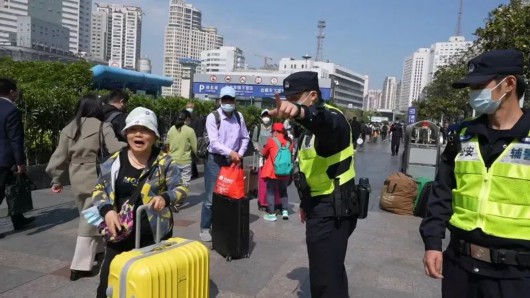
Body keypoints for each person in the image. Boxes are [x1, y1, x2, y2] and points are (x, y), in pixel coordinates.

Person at [420, 49, 530, 298]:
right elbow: (441, 194)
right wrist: (432, 244)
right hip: (460, 266)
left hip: (516, 275)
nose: (473, 93)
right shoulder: (462, 136)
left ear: (509, 84)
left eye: (480, 84)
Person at [269, 71, 358, 298]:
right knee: (330, 271)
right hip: (320, 205)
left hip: (333, 208)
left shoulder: (332, 119)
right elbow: (312, 169)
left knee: (324, 282)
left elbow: (323, 122)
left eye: (297, 96)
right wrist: (306, 203)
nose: (292, 101)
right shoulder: (307, 130)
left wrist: (301, 112)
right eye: (290, 97)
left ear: (313, 96)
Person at [93, 107, 187, 298]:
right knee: (108, 286)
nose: (138, 134)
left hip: (153, 237)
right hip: (119, 235)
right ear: (126, 133)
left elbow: (182, 190)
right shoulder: (114, 161)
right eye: (133, 129)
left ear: (154, 136)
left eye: (145, 130)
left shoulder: (165, 162)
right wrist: (108, 211)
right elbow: (98, 190)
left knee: (151, 287)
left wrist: (165, 197)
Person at [46, 94, 126, 280]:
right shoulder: (102, 125)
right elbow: (114, 147)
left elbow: (58, 157)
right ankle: (79, 266)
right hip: (94, 173)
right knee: (89, 216)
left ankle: (97, 250)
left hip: (76, 174)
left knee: (87, 212)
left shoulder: (69, 127)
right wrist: (130, 144)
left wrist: (57, 179)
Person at [200, 86, 249, 242]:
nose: (228, 102)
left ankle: (222, 225)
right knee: (211, 196)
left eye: (231, 99)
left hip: (233, 161)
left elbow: (245, 138)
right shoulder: (213, 117)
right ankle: (205, 227)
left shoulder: (239, 117)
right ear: (220, 100)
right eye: (225, 99)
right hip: (215, 160)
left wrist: (239, 154)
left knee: (229, 193)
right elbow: (214, 143)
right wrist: (231, 153)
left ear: (235, 100)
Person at [0, 78, 34, 238]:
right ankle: (17, 218)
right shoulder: (11, 110)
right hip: (5, 158)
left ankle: (18, 218)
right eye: (16, 91)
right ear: (12, 92)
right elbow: (15, 139)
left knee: (12, 188)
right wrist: (20, 162)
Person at [261, 122, 293, 221]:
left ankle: (272, 214)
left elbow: (264, 152)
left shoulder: (271, 141)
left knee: (270, 191)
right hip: (285, 171)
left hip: (273, 171)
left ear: (275, 131)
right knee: (283, 191)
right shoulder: (289, 142)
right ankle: (285, 211)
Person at [166, 109, 196, 192]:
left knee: (173, 181)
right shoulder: (190, 131)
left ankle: (172, 198)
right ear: (187, 119)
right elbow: (195, 148)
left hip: (172, 160)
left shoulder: (171, 129)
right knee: (184, 183)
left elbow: (167, 144)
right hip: (185, 161)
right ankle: (179, 200)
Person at [185, 102, 204, 179]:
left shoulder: (197, 119)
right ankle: (193, 172)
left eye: (191, 107)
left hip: (194, 139)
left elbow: (199, 132)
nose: (189, 108)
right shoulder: (184, 117)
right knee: (189, 157)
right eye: (188, 106)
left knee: (191, 156)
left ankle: (194, 173)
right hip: (186, 138)